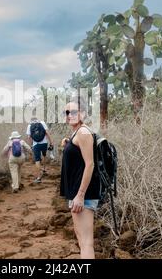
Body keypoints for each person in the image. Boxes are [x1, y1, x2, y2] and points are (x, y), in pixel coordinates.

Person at [60, 97, 100, 259]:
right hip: (77, 193)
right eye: (67, 112)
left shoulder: (83, 133)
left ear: (82, 113)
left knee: (86, 243)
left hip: (83, 195)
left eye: (73, 112)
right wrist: (68, 143)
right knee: (82, 240)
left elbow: (90, 164)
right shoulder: (78, 132)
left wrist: (80, 195)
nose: (69, 115)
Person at [26, 117, 54, 184]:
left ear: (31, 120)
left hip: (36, 145)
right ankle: (44, 169)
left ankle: (38, 178)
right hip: (44, 143)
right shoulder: (42, 123)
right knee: (44, 155)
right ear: (37, 119)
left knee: (37, 160)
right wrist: (51, 142)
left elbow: (29, 137)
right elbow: (47, 133)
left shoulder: (29, 126)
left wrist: (31, 145)